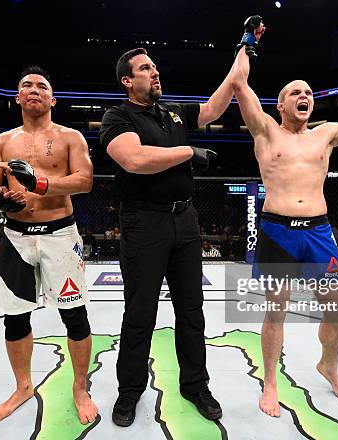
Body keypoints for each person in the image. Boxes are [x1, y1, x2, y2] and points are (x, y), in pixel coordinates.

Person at [231, 16, 338, 416]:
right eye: (294, 92)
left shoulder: (327, 133)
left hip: (318, 232)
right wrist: (248, 41)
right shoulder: (266, 131)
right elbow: (238, 85)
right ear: (281, 105)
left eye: (308, 92)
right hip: (277, 231)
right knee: (276, 308)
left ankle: (329, 367)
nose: (304, 95)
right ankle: (270, 382)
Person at [99, 40, 237, 426]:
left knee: (192, 311)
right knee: (140, 313)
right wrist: (189, 152)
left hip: (185, 220)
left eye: (155, 67)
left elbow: (214, 106)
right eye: (145, 69)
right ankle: (129, 393)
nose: (155, 72)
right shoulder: (117, 116)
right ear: (127, 81)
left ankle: (195, 386)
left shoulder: (173, 111)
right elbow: (136, 159)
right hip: (145, 222)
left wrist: (243, 52)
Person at [0, 66, 96, 424]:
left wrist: (40, 184)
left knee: (74, 316)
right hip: (16, 237)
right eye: (26, 85)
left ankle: (80, 387)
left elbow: (85, 181)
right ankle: (23, 386)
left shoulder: (70, 137)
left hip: (60, 234)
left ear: (52, 98)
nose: (34, 90)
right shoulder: (1, 140)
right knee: (14, 318)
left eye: (42, 86)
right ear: (17, 97)